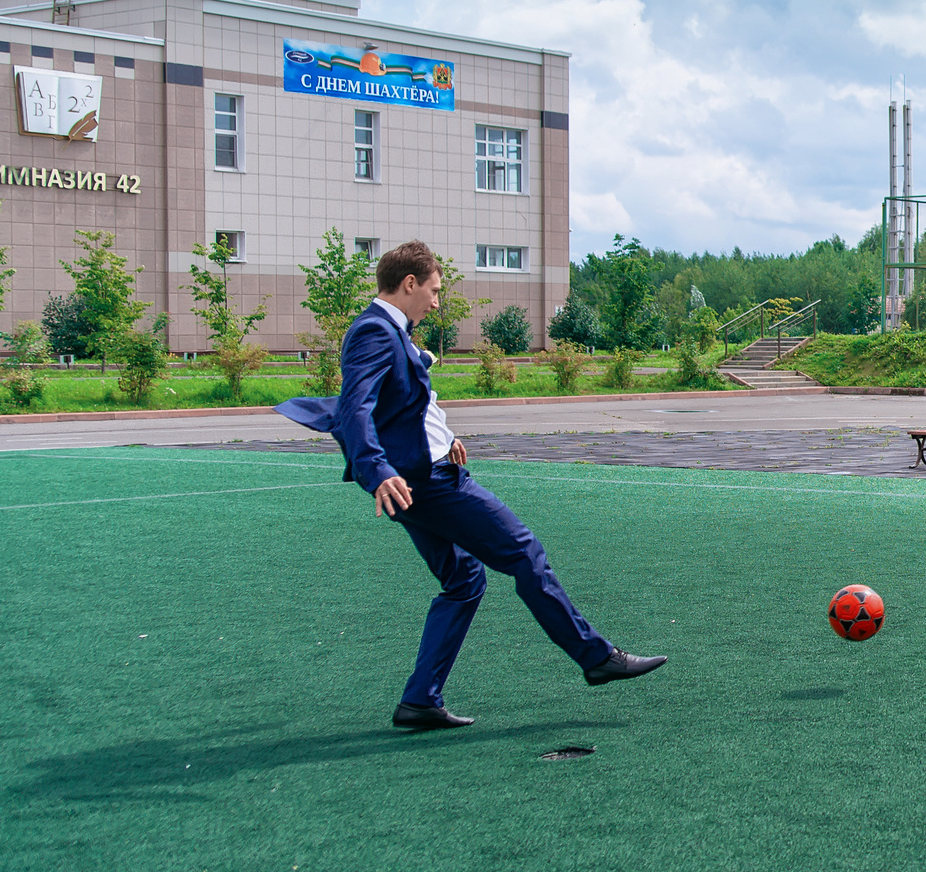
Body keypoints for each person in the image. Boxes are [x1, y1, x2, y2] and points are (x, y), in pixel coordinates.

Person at [276, 241, 667, 729]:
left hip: (422, 473)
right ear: (410, 283)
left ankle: (420, 701)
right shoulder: (374, 332)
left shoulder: (393, 330)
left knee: (463, 582)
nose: (438, 301)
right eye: (435, 290)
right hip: (425, 483)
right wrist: (376, 470)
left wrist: (445, 436)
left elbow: (402, 404)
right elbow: (354, 407)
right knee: (524, 552)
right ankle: (596, 657)